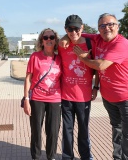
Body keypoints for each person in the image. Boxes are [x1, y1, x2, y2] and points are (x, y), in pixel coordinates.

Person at [63, 13, 128, 160]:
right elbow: (76, 33)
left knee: (126, 134)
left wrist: (82, 58)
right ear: (99, 29)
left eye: (111, 24)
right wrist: (64, 37)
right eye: (103, 26)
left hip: (125, 98)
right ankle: (117, 157)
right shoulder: (97, 38)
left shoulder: (121, 43)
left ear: (118, 26)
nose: (107, 28)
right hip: (109, 98)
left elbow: (101, 65)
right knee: (116, 129)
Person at [58, 15, 99, 160]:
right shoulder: (61, 45)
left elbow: (97, 67)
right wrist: (64, 38)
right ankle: (67, 156)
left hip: (84, 96)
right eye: (70, 29)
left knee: (83, 129)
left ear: (82, 28)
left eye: (77, 28)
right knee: (67, 130)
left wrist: (96, 87)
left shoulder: (90, 43)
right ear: (65, 29)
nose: (73, 32)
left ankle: (86, 156)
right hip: (66, 96)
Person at [23, 28, 62, 160]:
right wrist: (26, 99)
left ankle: (51, 157)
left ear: (55, 40)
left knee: (53, 131)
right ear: (42, 41)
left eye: (52, 37)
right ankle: (36, 157)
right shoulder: (35, 56)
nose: (49, 40)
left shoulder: (60, 58)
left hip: (55, 99)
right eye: (46, 38)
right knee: (36, 131)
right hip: (37, 99)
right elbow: (28, 78)